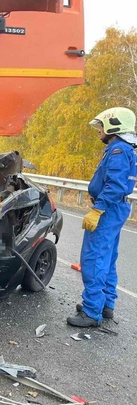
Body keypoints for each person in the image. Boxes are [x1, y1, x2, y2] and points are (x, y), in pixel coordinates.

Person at [67, 107, 137, 327]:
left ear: (114, 126)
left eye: (101, 126)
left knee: (94, 258)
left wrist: (98, 209)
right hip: (115, 209)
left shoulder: (118, 150)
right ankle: (105, 304)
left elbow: (115, 184)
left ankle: (91, 311)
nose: (98, 130)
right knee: (107, 258)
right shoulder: (123, 149)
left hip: (108, 209)